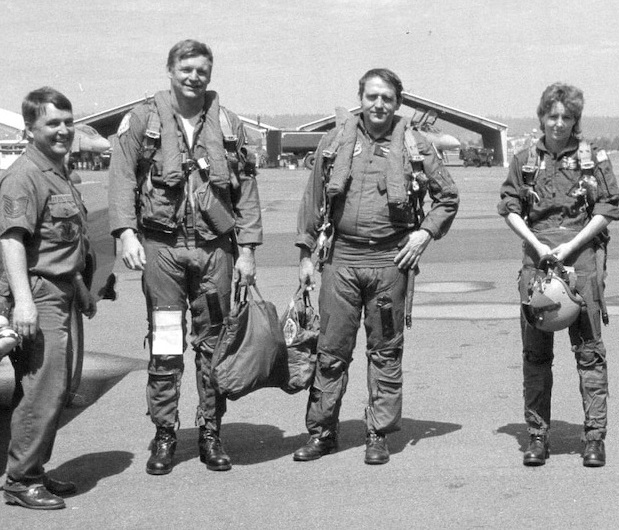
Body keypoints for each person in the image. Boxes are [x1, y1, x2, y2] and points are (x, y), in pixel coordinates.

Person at [108, 39, 262, 475]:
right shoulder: (143, 119)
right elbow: (122, 178)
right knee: (167, 342)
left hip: (216, 250)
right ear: (170, 69)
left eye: (202, 70)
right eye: (187, 69)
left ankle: (211, 431)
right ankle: (165, 433)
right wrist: (125, 233)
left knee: (214, 345)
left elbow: (246, 188)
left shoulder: (228, 123)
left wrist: (248, 250)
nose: (194, 77)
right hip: (163, 248)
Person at [293, 68, 458, 465]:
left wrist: (424, 235)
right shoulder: (335, 142)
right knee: (331, 351)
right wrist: (304, 256)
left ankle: (377, 433)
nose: (379, 105)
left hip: (390, 262)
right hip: (341, 261)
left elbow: (448, 197)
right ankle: (322, 432)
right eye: (371, 97)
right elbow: (313, 196)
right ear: (360, 99)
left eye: (386, 98)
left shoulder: (415, 144)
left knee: (385, 352)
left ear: (397, 102)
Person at [498, 83, 619, 468]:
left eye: (567, 117)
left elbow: (607, 208)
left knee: (589, 353)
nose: (559, 123)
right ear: (542, 118)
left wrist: (568, 248)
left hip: (581, 261)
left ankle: (595, 438)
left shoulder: (594, 160)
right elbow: (510, 207)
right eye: (553, 116)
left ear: (575, 120)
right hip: (537, 263)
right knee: (536, 355)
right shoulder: (524, 161)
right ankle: (536, 436)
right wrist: (537, 244)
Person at [0, 87, 94, 509]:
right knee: (43, 389)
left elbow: (60, 244)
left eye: (67, 122)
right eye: (52, 124)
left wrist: (80, 288)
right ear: (29, 129)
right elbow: (12, 241)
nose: (63, 131)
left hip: (60, 291)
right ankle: (20, 479)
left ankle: (34, 469)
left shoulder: (58, 172)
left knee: (54, 388)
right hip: (37, 294)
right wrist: (22, 302)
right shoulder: (25, 175)